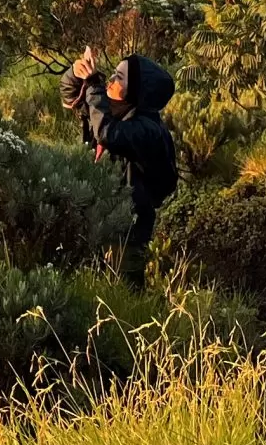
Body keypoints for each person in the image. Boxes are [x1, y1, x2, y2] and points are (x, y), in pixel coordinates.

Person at [62, 47, 180, 284]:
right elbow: (70, 95)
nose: (111, 80)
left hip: (129, 227)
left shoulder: (149, 130)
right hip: (98, 217)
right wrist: (77, 73)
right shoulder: (113, 109)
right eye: (113, 74)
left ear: (136, 90)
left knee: (124, 291)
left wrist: (94, 84)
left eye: (120, 77)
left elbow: (109, 134)